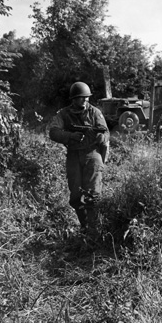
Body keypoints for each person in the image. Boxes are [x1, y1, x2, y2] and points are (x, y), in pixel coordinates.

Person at [49, 82, 109, 231]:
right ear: (73, 99)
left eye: (87, 98)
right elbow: (53, 132)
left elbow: (105, 132)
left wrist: (101, 137)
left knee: (93, 196)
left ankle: (94, 230)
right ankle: (84, 226)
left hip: (92, 154)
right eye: (81, 98)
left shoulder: (95, 113)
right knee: (76, 197)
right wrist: (71, 136)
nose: (85, 101)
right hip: (74, 156)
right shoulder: (63, 114)